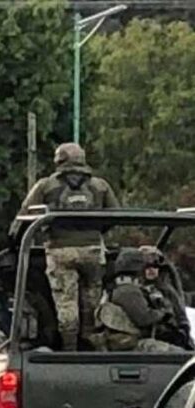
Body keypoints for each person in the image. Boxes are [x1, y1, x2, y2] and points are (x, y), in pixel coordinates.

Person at [16, 143, 121, 351]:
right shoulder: (100, 186)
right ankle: (91, 345)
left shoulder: (46, 186)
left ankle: (69, 349)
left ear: (59, 160)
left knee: (66, 302)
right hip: (92, 250)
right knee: (93, 301)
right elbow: (116, 214)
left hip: (59, 250)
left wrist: (17, 240)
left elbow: (25, 215)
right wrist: (96, 230)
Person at [94, 249, 185, 352]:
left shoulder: (124, 288)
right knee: (179, 354)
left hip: (129, 341)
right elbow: (144, 318)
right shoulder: (128, 291)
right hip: (131, 344)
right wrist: (163, 314)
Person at [0, 253, 58, 352]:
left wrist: (32, 343)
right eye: (4, 273)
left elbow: (49, 329)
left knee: (45, 351)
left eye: (11, 273)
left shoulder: (34, 299)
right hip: (0, 351)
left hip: (31, 350)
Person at [139, 246, 192, 349]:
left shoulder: (167, 290)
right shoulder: (134, 291)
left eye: (155, 266)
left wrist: (183, 329)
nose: (151, 270)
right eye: (147, 266)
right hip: (148, 339)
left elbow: (180, 314)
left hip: (171, 337)